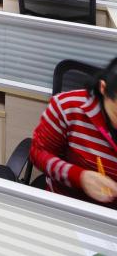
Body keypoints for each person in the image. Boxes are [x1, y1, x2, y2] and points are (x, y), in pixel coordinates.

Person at [29, 57, 117, 207]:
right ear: (103, 89)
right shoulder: (68, 107)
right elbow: (38, 153)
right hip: (68, 205)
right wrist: (79, 177)